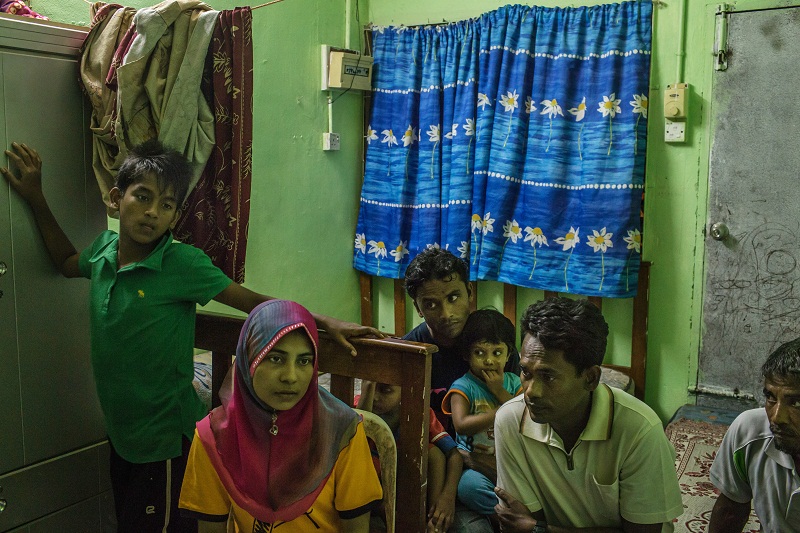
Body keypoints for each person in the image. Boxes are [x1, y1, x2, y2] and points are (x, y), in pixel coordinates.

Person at [0, 141, 379, 533]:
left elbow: (253, 303)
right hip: (122, 434)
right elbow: (66, 262)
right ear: (116, 198)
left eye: (166, 205)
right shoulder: (103, 251)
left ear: (176, 216)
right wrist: (35, 197)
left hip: (165, 440)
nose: (152, 212)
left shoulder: (182, 263)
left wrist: (324, 322)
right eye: (142, 197)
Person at [179, 300, 382, 531]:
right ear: (249, 359)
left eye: (304, 361)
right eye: (276, 358)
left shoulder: (342, 431)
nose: (290, 377)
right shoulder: (213, 436)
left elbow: (356, 528)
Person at [493, 297, 683, 532]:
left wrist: (540, 529)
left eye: (548, 376)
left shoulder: (639, 429)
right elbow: (520, 523)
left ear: (591, 378)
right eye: (525, 372)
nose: (531, 391)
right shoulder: (510, 420)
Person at [403, 248, 519, 426]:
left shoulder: (495, 345)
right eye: (431, 304)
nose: (446, 314)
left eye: (453, 298)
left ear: (470, 292)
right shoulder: (408, 352)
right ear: (418, 308)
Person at [708, 337, 800, 533]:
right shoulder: (750, 432)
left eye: (796, 403)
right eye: (771, 397)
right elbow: (731, 511)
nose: (777, 417)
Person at [442, 309, 522, 522]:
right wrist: (500, 412)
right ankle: (506, 519)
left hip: (513, 461)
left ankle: (519, 513)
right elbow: (461, 424)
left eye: (497, 353)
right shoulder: (463, 386)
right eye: (479, 353)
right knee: (468, 487)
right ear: (466, 355)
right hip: (473, 464)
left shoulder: (515, 383)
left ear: (509, 354)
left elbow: (525, 416)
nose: (489, 360)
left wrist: (499, 391)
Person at [357, 381, 464, 532]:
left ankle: (434, 520)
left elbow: (454, 455)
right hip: (367, 491)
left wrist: (447, 498)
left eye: (386, 390)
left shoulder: (418, 412)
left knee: (434, 453)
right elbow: (356, 439)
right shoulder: (356, 408)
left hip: (405, 486)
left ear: (405, 391)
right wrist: (367, 389)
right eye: (370, 388)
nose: (375, 397)